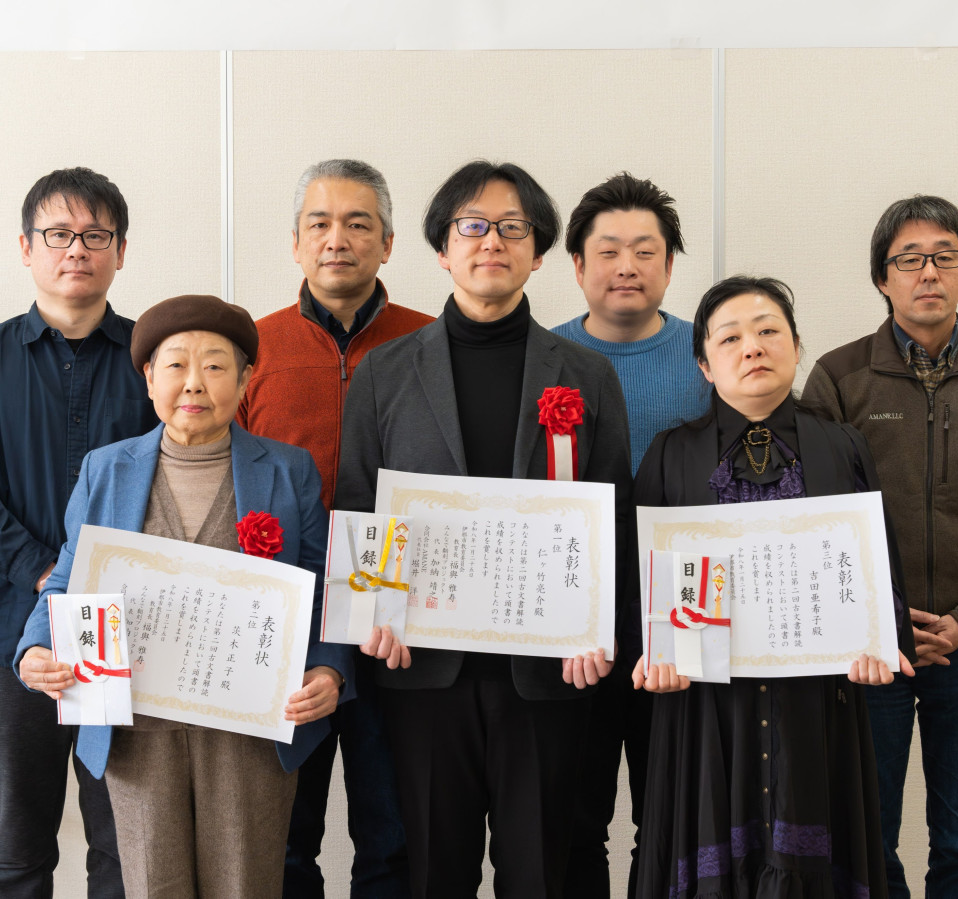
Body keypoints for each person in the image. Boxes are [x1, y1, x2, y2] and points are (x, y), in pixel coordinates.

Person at [335, 159, 632, 899]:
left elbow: (614, 519)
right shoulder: (385, 372)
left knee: (541, 874)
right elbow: (359, 507)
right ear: (442, 248)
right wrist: (371, 615)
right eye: (472, 226)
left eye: (512, 227)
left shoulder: (587, 374)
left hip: (548, 675)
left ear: (539, 253)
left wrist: (598, 628)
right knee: (434, 873)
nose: (491, 241)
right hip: (424, 671)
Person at [14, 294, 353, 898]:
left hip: (251, 729)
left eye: (216, 366)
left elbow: (321, 582)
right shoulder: (105, 469)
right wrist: (36, 647)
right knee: (153, 885)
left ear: (245, 381)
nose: (194, 382)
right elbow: (69, 575)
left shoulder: (288, 469)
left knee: (248, 884)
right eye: (176, 365)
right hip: (137, 725)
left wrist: (329, 667)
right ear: (149, 378)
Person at [802, 195, 958, 898]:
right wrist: (881, 619)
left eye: (945, 256)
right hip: (870, 649)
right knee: (867, 839)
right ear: (882, 277)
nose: (929, 273)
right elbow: (816, 513)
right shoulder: (839, 377)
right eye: (909, 259)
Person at [631, 276, 914, 898]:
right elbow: (642, 580)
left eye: (767, 331)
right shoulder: (670, 453)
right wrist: (653, 655)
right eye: (730, 338)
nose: (752, 347)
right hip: (704, 707)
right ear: (705, 365)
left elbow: (878, 567)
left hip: (816, 703)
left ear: (795, 345)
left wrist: (881, 642)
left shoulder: (843, 446)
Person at [0, 167, 157, 897]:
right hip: (5, 638)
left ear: (121, 250)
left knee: (124, 847)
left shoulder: (155, 361)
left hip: (130, 636)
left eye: (95, 235)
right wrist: (50, 574)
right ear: (27, 248)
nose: (76, 249)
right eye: (58, 234)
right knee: (15, 848)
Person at [238, 159, 432, 898]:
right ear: (295, 242)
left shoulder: (431, 343)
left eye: (357, 224)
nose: (336, 239)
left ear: (388, 243)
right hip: (285, 627)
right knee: (283, 840)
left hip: (400, 624)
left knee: (395, 837)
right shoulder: (249, 349)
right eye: (318, 223)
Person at [552, 171, 708, 898]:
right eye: (608, 250)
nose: (627, 266)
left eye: (645, 251)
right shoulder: (543, 358)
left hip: (681, 619)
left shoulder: (710, 354)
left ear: (669, 266)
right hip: (571, 624)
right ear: (576, 264)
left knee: (672, 817)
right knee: (573, 819)